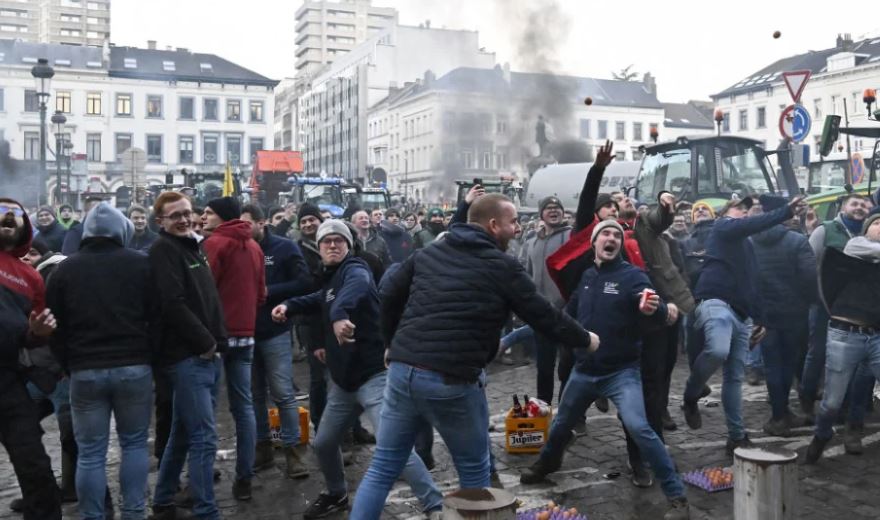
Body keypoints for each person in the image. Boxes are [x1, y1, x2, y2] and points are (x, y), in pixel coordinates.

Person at [349, 194, 599, 517]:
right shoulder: (503, 265)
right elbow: (544, 315)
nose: (517, 229)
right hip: (452, 378)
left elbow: (389, 292)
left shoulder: (430, 252)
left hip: (403, 369)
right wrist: (585, 339)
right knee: (474, 470)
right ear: (494, 225)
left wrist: (391, 343)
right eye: (512, 223)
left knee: (383, 466)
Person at [272, 220, 443, 519]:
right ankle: (337, 494)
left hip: (374, 376)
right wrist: (289, 305)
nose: (333, 245)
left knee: (393, 448)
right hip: (344, 383)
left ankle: (434, 505)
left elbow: (356, 289)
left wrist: (340, 315)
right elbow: (320, 299)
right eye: (327, 241)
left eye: (340, 240)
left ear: (350, 246)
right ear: (319, 247)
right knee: (324, 443)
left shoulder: (355, 269)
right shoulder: (330, 277)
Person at [520, 220, 690, 520]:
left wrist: (658, 308)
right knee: (560, 426)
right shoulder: (586, 277)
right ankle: (547, 463)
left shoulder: (632, 276)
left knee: (639, 428)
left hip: (621, 373)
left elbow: (652, 303)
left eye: (616, 235)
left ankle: (676, 497)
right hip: (584, 371)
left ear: (620, 245)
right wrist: (522, 332)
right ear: (594, 243)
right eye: (605, 234)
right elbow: (565, 316)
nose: (611, 238)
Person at [46, 202, 154, 520]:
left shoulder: (64, 269)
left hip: (84, 370)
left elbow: (54, 325)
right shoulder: (141, 264)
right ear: (122, 230)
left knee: (90, 452)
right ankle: (134, 512)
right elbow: (158, 316)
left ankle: (92, 516)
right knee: (133, 444)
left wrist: (67, 363)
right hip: (134, 366)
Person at [681, 194, 806, 454]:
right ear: (727, 211)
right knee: (717, 350)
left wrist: (760, 319)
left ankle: (736, 437)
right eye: (741, 207)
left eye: (749, 209)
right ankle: (691, 394)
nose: (746, 211)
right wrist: (785, 211)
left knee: (734, 379)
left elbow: (754, 283)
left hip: (741, 314)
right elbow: (749, 225)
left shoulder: (747, 245)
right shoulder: (722, 225)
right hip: (715, 300)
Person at [150, 192, 227, 520]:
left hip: (206, 354)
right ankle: (206, 511)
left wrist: (216, 342)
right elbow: (173, 304)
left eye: (186, 213)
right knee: (204, 437)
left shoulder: (192, 246)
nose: (183, 219)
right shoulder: (163, 251)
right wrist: (206, 343)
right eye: (174, 216)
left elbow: (207, 299)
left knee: (183, 432)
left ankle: (164, 499)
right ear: (161, 222)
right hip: (188, 356)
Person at [0, 198, 63, 520]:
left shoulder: (31, 277)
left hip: (8, 381)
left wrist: (38, 332)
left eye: (15, 213)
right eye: (0, 211)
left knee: (35, 464)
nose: (7, 216)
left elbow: (29, 336)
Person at [202, 196, 266, 501]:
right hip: (247, 335)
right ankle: (244, 478)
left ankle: (201, 478)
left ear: (222, 217)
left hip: (217, 338)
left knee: (207, 409)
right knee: (244, 408)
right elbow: (261, 294)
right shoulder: (254, 246)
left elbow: (204, 289)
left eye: (208, 213)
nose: (203, 217)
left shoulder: (215, 244)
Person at [240, 204, 311, 479]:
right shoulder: (241, 249)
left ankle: (293, 453)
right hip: (246, 333)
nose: (243, 230)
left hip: (275, 331)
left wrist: (269, 292)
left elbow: (304, 282)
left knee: (282, 393)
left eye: (248, 224)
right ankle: (263, 448)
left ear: (263, 222)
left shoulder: (284, 247)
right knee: (254, 395)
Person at [801, 194, 875, 449]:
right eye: (855, 203)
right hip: (836, 317)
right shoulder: (842, 238)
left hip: (874, 328)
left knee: (862, 380)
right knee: (820, 359)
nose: (860, 208)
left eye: (866, 206)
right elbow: (810, 264)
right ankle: (813, 411)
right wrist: (817, 299)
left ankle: (854, 423)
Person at [628, 191, 694, 475]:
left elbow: (657, 218)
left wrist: (666, 204)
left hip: (662, 310)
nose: (626, 202)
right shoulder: (606, 235)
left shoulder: (642, 224)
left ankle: (656, 437)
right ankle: (639, 451)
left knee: (660, 374)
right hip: (629, 320)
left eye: (628, 200)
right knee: (636, 385)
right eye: (616, 201)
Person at [751, 216, 816, 437]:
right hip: (793, 312)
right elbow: (810, 277)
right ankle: (781, 415)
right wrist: (808, 301)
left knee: (772, 365)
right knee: (788, 363)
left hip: (764, 314)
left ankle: (780, 415)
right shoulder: (797, 241)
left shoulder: (751, 242)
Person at [524, 195, 571, 405]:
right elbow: (526, 274)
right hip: (541, 314)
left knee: (568, 365)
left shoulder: (571, 236)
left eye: (557, 207)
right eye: (549, 208)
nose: (553, 211)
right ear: (541, 213)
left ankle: (570, 412)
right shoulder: (531, 242)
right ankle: (544, 407)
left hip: (567, 312)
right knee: (544, 366)